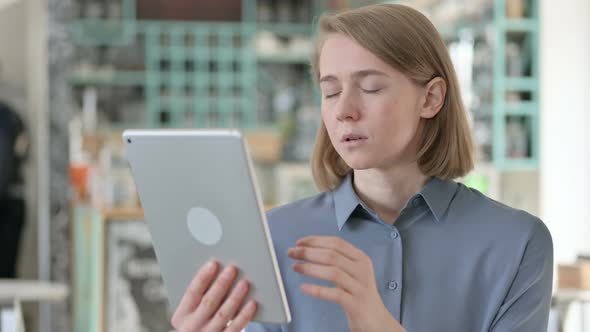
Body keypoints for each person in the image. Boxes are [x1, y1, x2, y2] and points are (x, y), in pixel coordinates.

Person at [170, 4, 553, 332]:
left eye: (370, 87)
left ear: (431, 98)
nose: (344, 110)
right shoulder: (273, 239)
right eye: (330, 91)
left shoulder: (517, 244)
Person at [0, 101, 28, 278]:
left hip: (10, 205)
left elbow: (23, 153)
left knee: (6, 272)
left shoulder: (11, 117)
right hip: (11, 201)